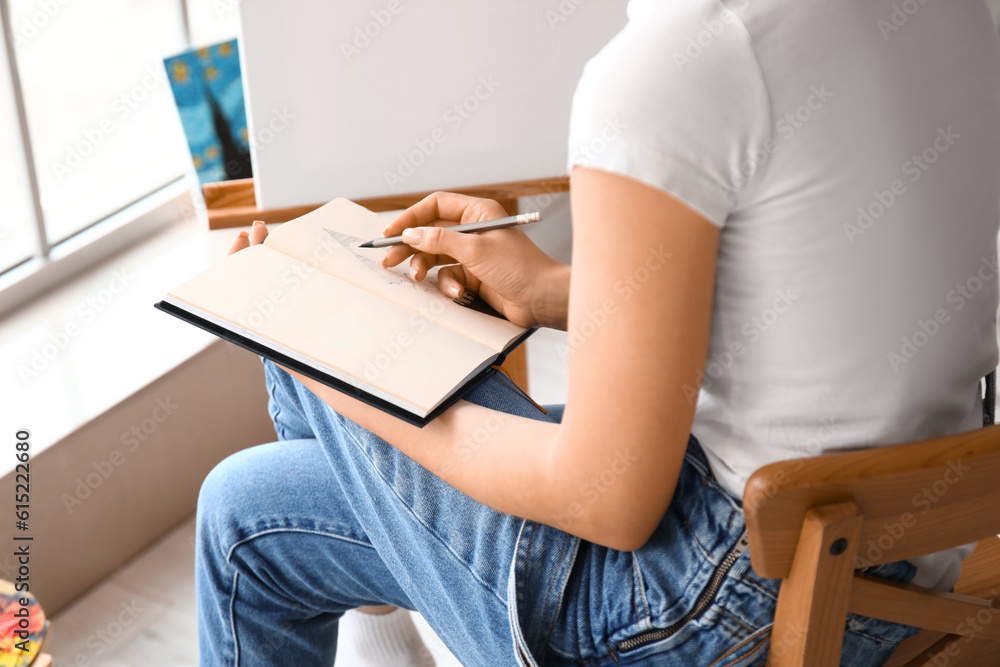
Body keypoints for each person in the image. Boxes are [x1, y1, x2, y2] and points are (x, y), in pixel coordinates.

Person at [195, 1, 1000, 665]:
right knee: (246, 505)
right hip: (911, 571)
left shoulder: (674, 69)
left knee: (290, 374)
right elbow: (820, 295)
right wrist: (551, 289)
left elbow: (607, 499)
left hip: (714, 615)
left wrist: (347, 370)